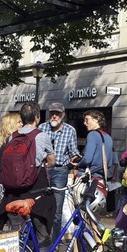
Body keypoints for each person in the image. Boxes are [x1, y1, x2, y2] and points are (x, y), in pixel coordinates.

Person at [0, 102, 55, 245]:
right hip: (35, 190)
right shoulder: (41, 136)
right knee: (42, 233)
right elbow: (52, 160)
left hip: (12, 191)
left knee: (15, 232)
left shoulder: (13, 137)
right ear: (37, 117)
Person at [38, 102, 81, 238]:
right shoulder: (42, 128)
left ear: (63, 115)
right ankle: (40, 241)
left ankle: (54, 245)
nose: (54, 116)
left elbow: (73, 151)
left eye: (57, 113)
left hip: (60, 171)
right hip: (43, 171)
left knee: (56, 212)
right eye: (52, 113)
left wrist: (76, 160)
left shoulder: (70, 130)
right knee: (39, 208)